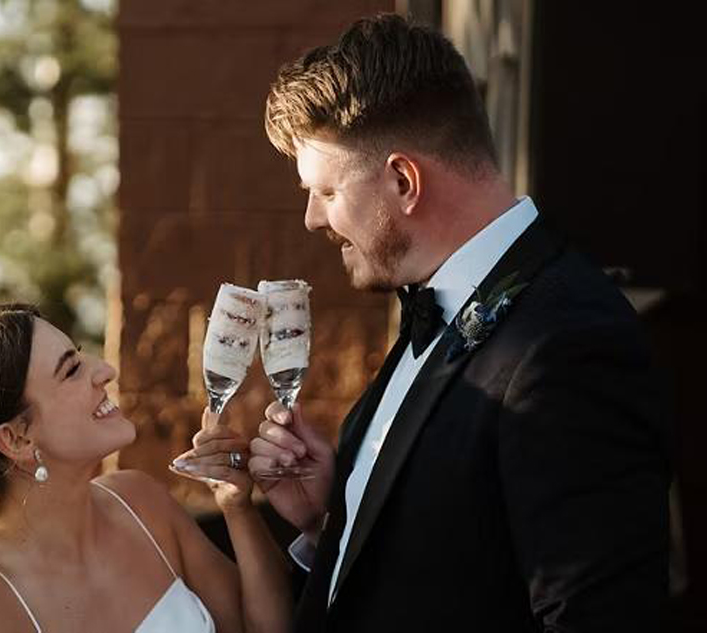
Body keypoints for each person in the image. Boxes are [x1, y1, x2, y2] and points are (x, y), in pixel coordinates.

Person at [248, 13, 671, 632]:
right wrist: (332, 519)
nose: (313, 218)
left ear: (403, 180)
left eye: (328, 192)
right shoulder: (435, 306)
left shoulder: (569, 341)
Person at [0, 303, 291, 633]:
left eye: (80, 355)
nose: (104, 370)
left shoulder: (141, 502)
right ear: (16, 439)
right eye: (71, 370)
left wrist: (238, 506)